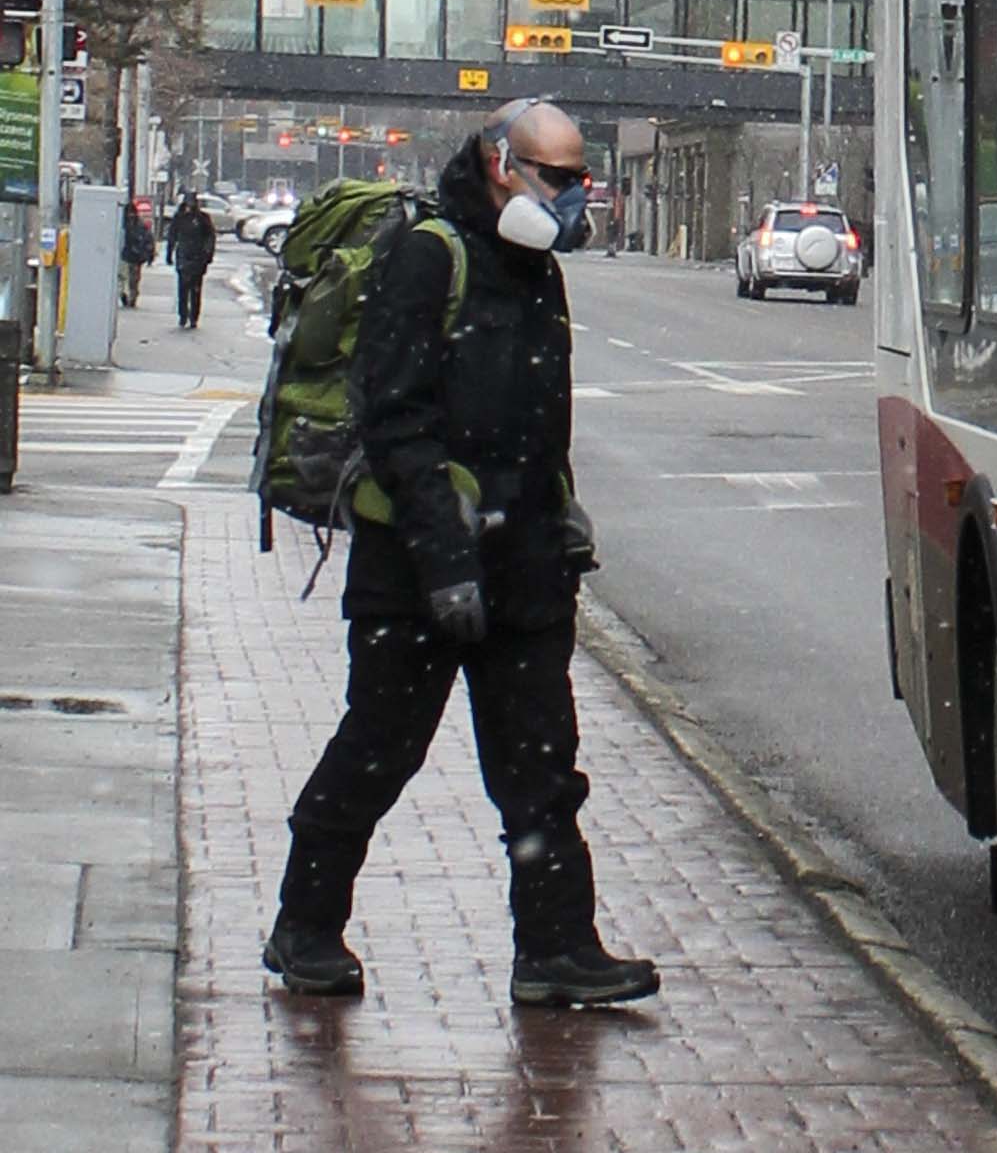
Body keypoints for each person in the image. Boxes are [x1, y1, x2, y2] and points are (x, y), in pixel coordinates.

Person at [262, 96, 659, 1011]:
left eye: (578, 181)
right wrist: (444, 561)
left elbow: (538, 423)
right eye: (556, 178)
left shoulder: (535, 272)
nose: (569, 198)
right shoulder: (427, 257)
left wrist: (556, 526)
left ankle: (557, 948)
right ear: (499, 164)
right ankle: (304, 925)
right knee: (378, 750)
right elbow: (394, 420)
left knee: (542, 770)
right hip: (416, 571)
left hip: (522, 569)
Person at [166, 192, 217, 330]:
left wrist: (208, 254)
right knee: (183, 288)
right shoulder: (179, 218)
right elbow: (172, 236)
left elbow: (210, 237)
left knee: (195, 289)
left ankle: (194, 317)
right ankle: (183, 315)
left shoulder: (202, 218)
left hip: (198, 257)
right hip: (183, 256)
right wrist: (169, 254)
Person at [118, 200, 154, 308]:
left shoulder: (122, 224)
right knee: (131, 279)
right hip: (133, 257)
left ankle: (128, 296)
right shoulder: (139, 225)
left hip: (129, 256)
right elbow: (148, 240)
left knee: (125, 278)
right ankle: (130, 296)